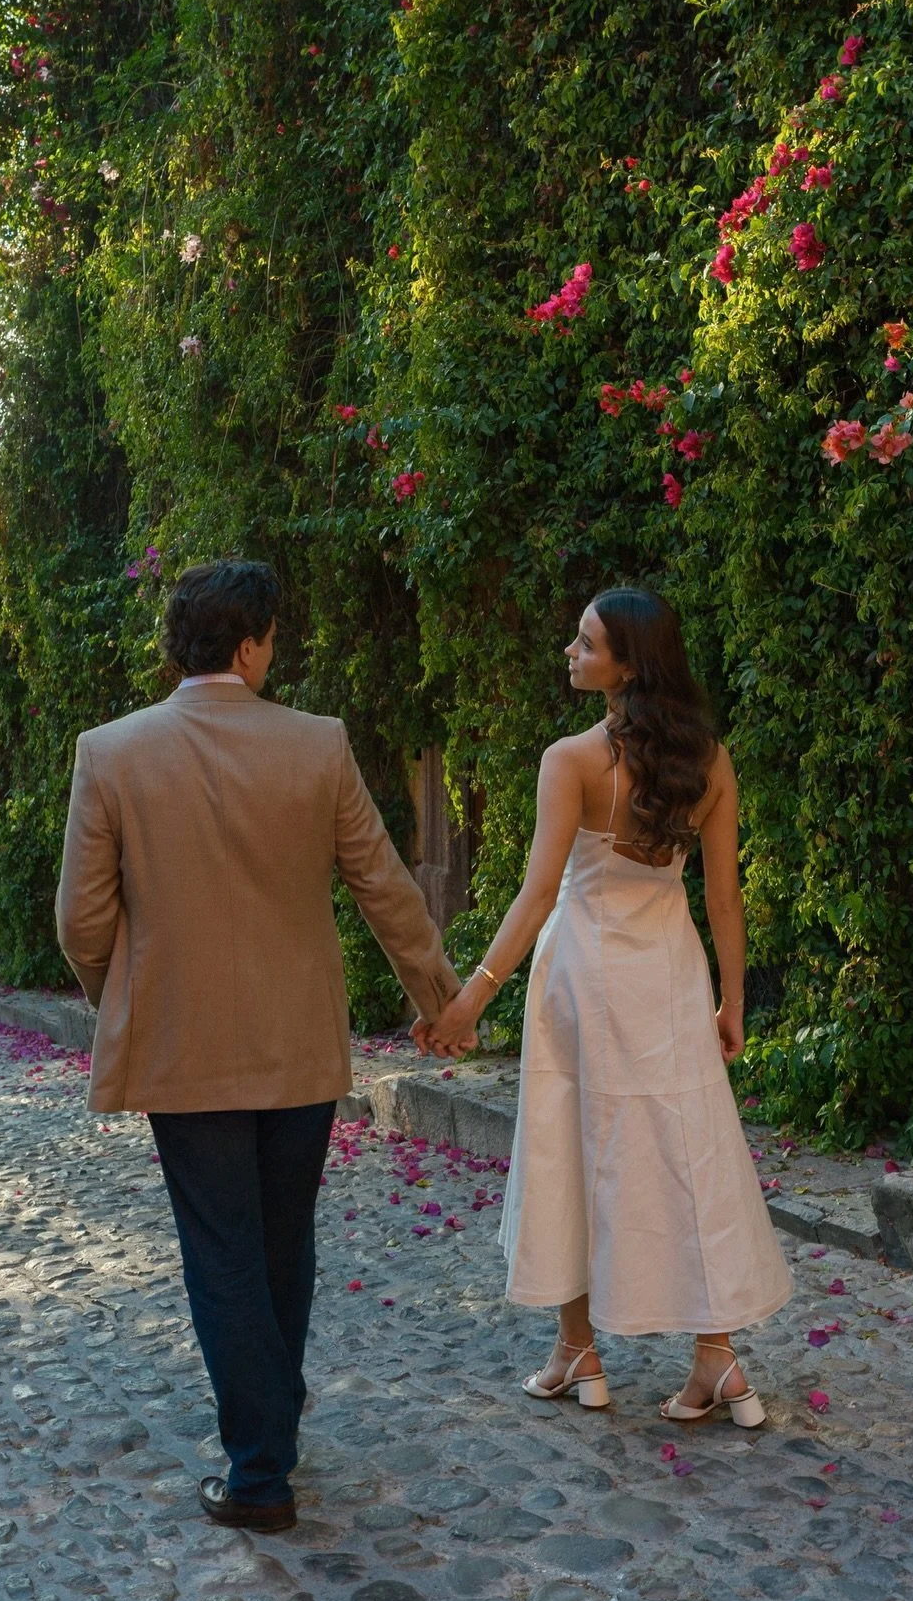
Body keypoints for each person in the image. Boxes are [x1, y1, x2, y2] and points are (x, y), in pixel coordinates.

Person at [56, 558, 461, 1532]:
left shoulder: (111, 753)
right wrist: (439, 997)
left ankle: (259, 1470)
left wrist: (126, 1002)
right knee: (283, 1241)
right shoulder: (316, 747)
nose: (275, 651)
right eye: (273, 636)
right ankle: (269, 1434)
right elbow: (385, 888)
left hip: (182, 1050)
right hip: (295, 1046)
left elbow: (80, 921)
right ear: (249, 645)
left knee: (224, 1251)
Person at [417, 586, 792, 1425]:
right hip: (667, 972)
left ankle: (578, 1351)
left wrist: (471, 997)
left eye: (586, 645)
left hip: (581, 974)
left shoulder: (572, 760)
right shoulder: (711, 761)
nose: (570, 653)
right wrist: (732, 1001)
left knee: (569, 1147)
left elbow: (537, 891)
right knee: (687, 1148)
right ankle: (717, 1360)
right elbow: (723, 898)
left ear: (628, 664)